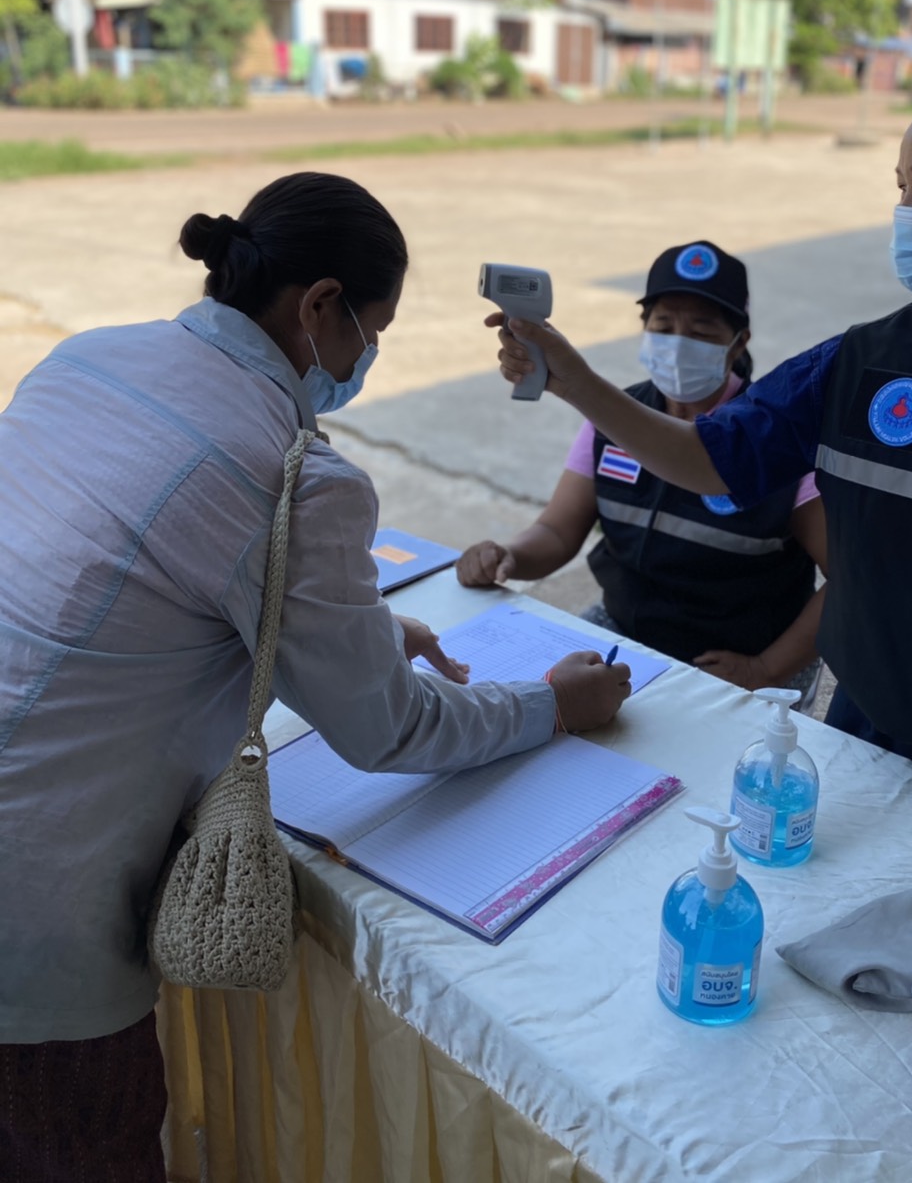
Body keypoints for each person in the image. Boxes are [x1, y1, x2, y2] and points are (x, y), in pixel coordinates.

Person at [0, 172, 630, 1179]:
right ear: (321, 305)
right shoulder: (292, 474)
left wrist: (359, 632)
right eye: (372, 332)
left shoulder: (88, 359)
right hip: (34, 903)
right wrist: (551, 704)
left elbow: (119, 584)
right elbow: (390, 731)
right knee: (76, 1148)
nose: (365, 360)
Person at [491, 56, 912, 839]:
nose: (904, 212)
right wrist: (571, 378)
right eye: (899, 187)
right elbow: (708, 458)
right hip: (871, 747)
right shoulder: (866, 362)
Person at [458, 241, 827, 694]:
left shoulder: (773, 436)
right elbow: (557, 531)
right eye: (664, 326)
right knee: (532, 701)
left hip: (740, 658)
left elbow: (850, 580)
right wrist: (508, 555)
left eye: (702, 331)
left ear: (739, 343)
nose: (679, 343)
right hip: (626, 631)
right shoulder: (613, 416)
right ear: (644, 329)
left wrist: (766, 669)